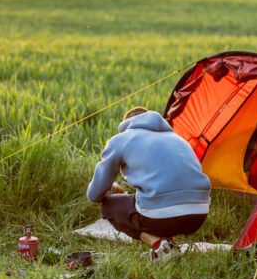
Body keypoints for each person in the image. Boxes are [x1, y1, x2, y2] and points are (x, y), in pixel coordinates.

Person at [87, 106, 211, 262]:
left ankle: (161, 245)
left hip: (161, 214)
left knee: (109, 207)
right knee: (156, 202)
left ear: (126, 125)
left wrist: (112, 190)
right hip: (198, 215)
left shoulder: (122, 139)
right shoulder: (179, 140)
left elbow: (94, 194)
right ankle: (169, 246)